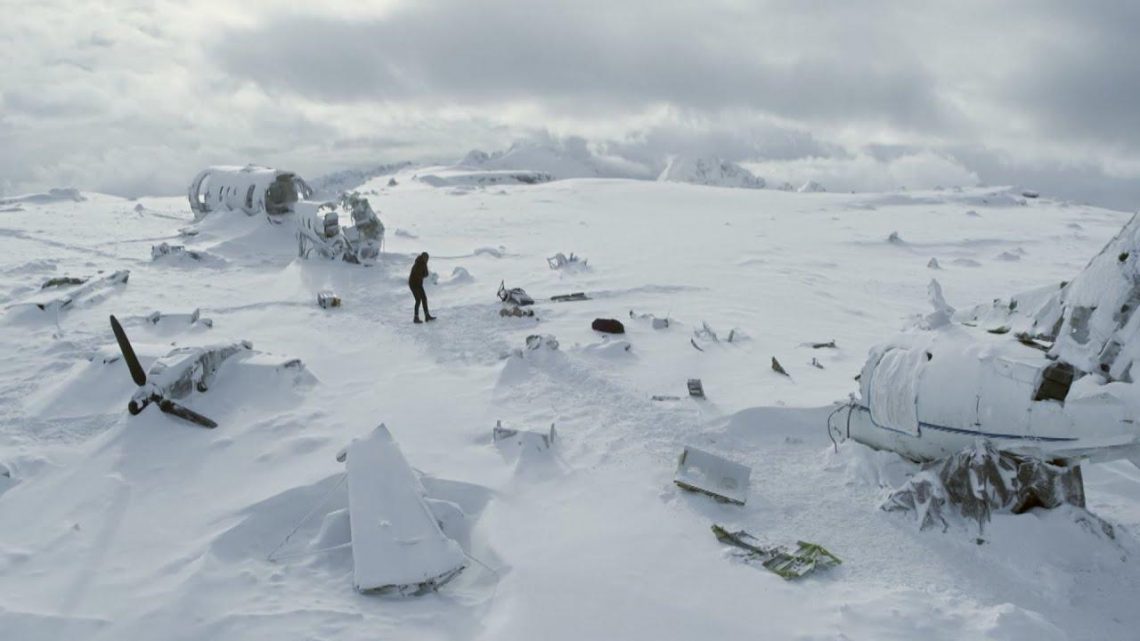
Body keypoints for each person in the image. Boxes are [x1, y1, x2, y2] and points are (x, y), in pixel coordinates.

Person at [408, 252, 435, 323]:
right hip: (413, 284)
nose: (427, 260)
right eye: (426, 258)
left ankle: (427, 316)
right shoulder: (418, 263)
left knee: (424, 298)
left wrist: (423, 274)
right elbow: (419, 275)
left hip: (419, 284)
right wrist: (423, 274)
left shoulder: (424, 264)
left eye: (427, 259)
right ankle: (415, 318)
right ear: (423, 257)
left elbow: (426, 274)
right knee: (418, 300)